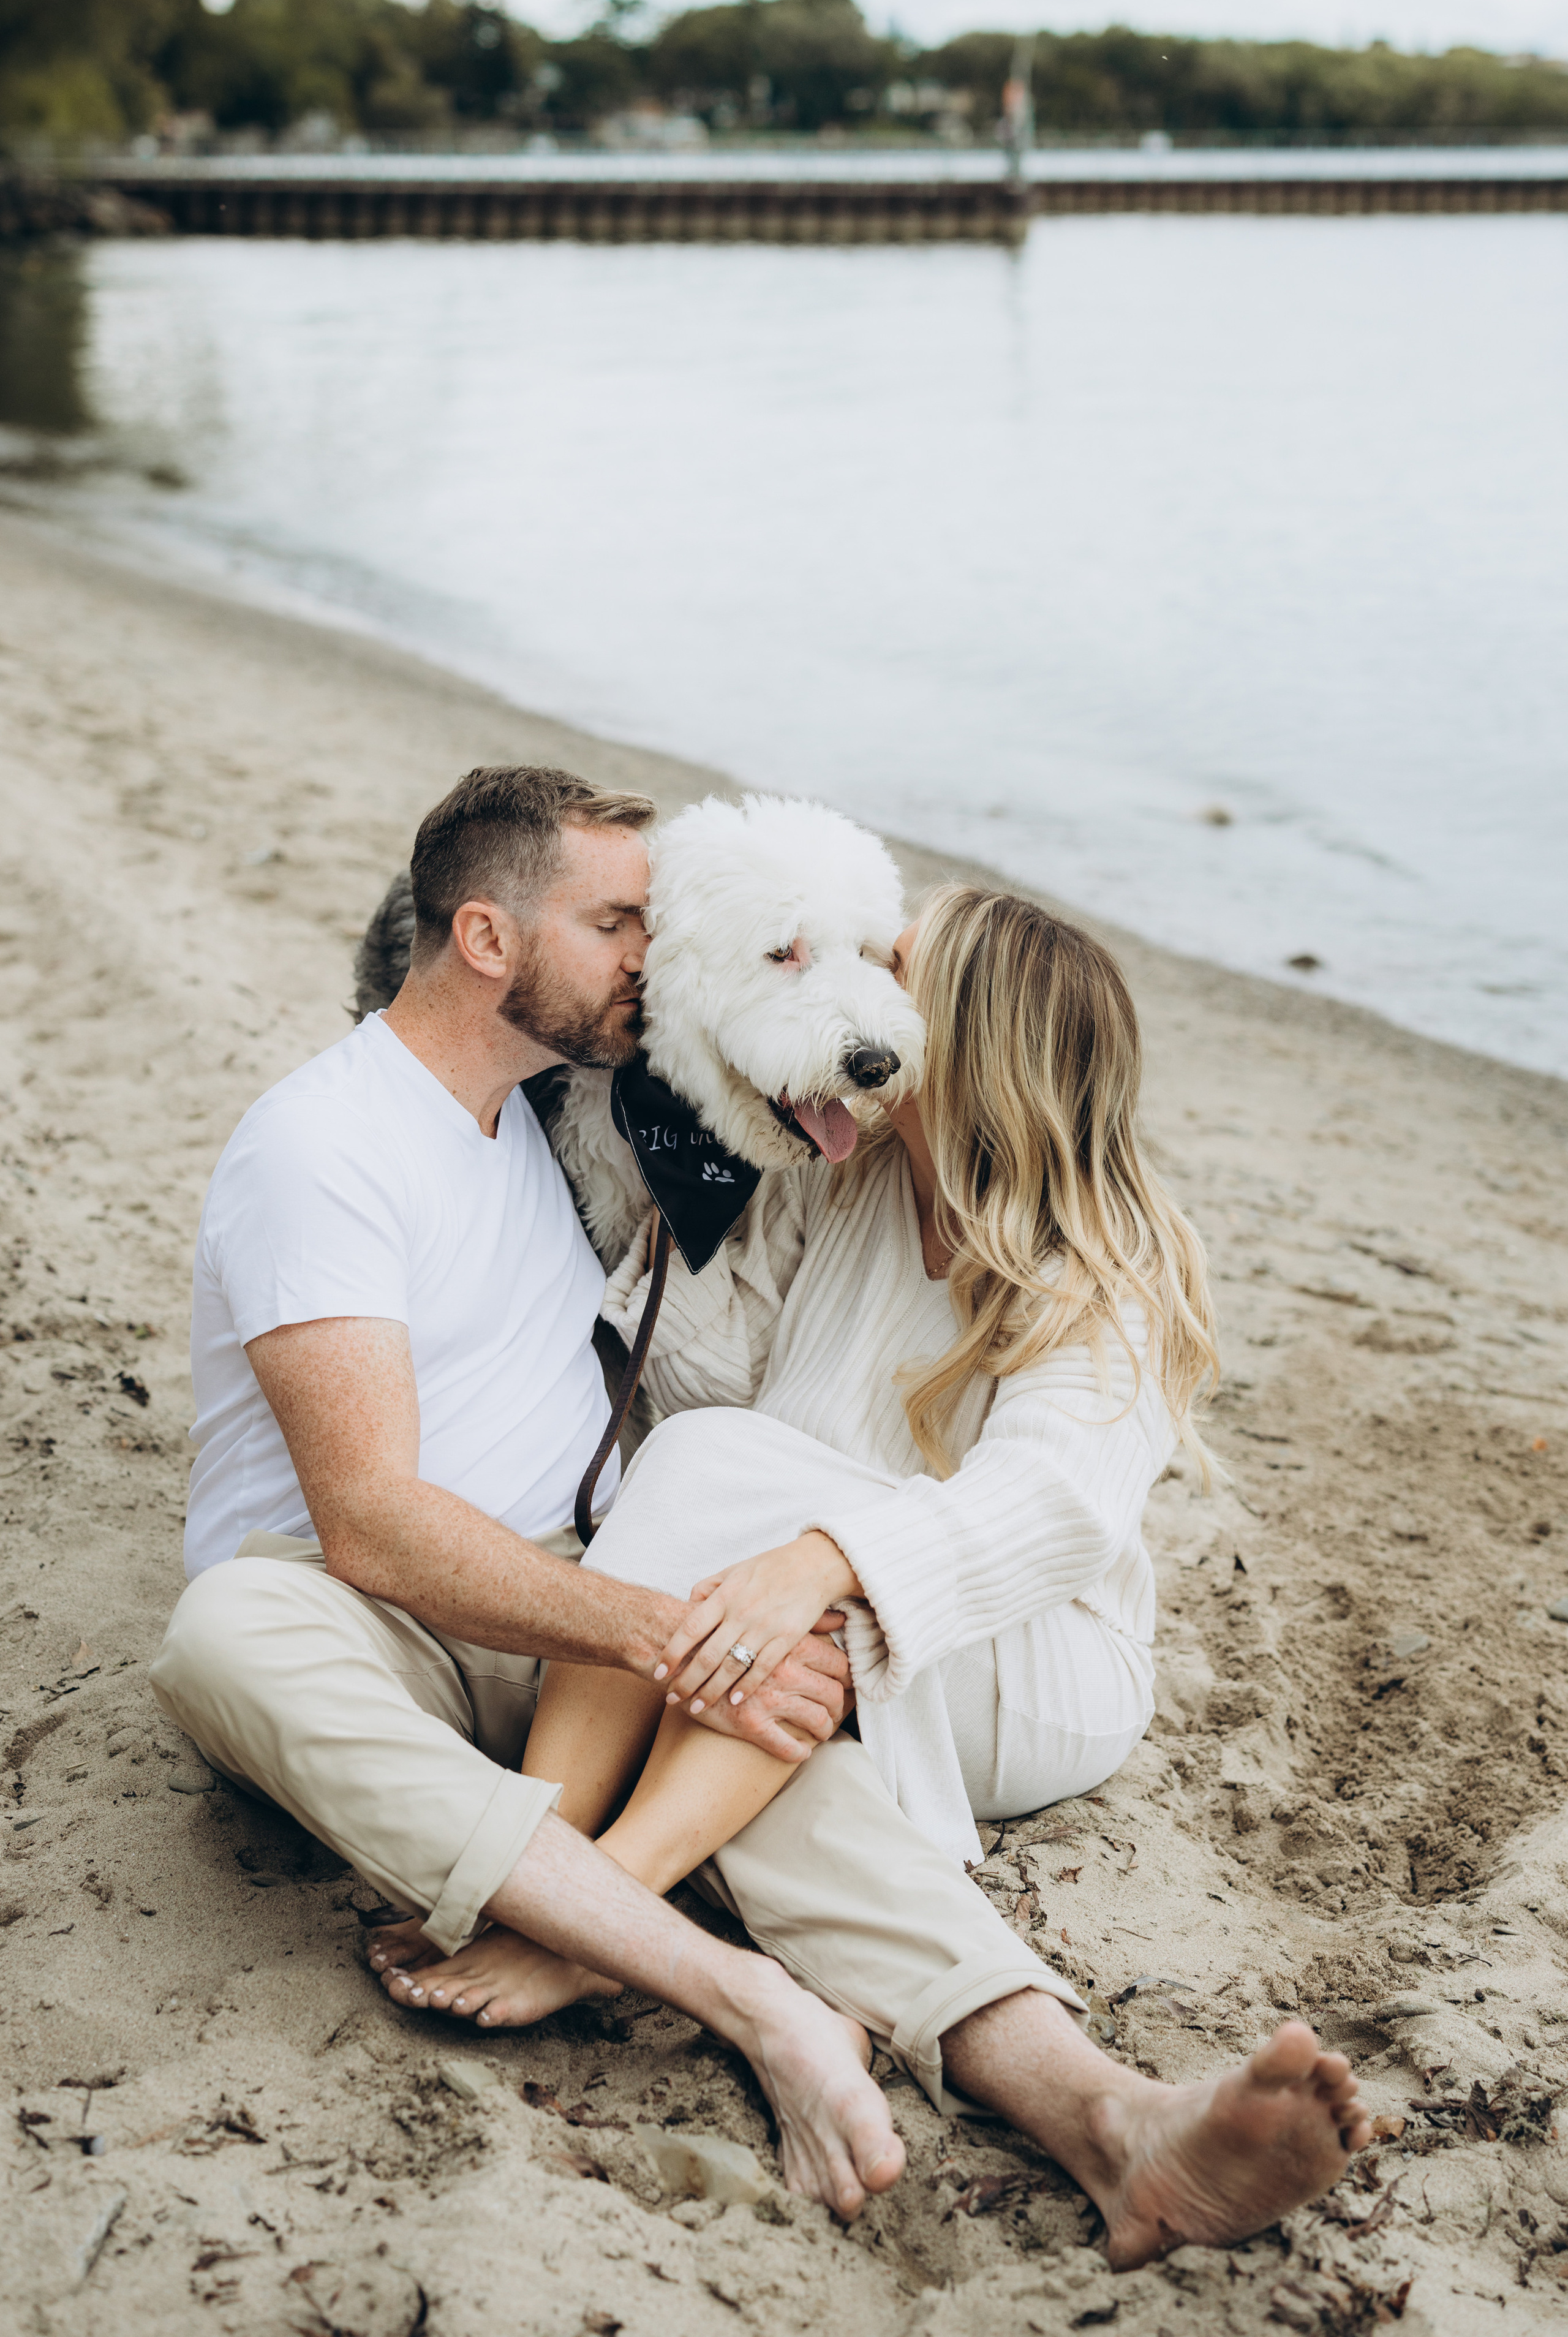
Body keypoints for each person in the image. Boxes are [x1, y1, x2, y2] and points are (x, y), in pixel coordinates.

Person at [154, 765, 1368, 2263]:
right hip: (700, 1610)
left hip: (963, 1637)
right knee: (722, 1713)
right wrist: (723, 1596)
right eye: (617, 927)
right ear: (485, 938)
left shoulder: (1093, 1252)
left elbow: (1045, 1503)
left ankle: (600, 1908)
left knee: (749, 1631)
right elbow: (677, 1385)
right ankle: (1099, 2121)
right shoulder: (383, 1143)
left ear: (969, 1050)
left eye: (884, 977)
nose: (647, 963)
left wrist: (808, 1566)